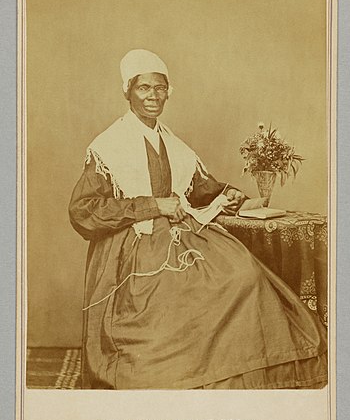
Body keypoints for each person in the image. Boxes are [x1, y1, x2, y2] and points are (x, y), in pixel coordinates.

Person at [69, 49, 328, 390]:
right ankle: (178, 372)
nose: (153, 96)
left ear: (168, 92)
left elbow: (201, 190)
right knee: (179, 292)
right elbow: (84, 211)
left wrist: (233, 195)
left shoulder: (173, 143)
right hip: (135, 246)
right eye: (144, 88)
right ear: (127, 92)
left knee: (242, 274)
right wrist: (153, 206)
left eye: (160, 88)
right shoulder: (108, 146)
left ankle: (233, 369)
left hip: (184, 232)